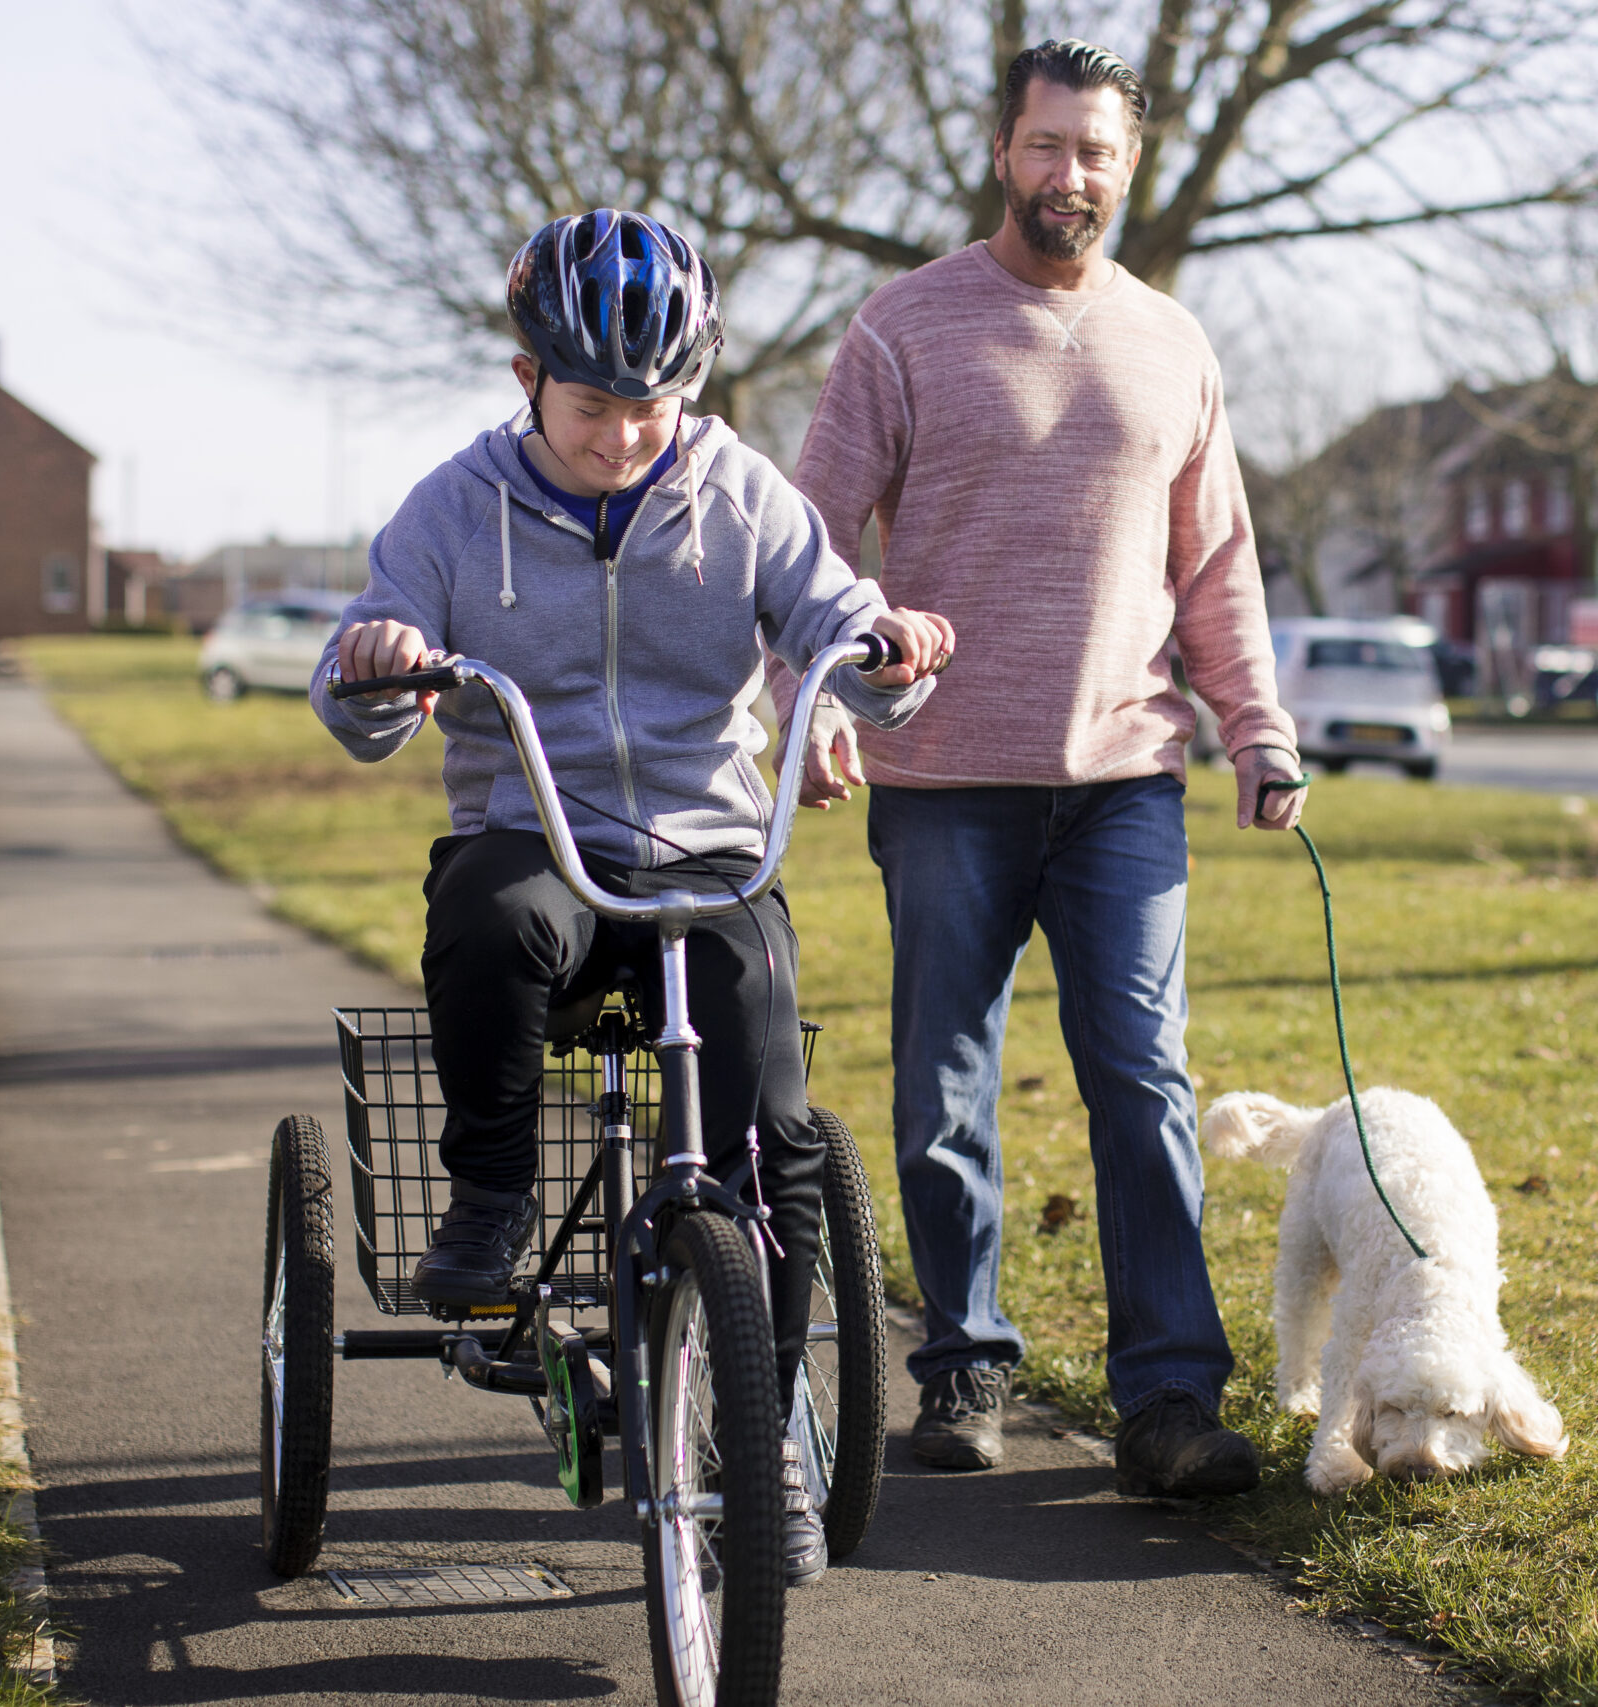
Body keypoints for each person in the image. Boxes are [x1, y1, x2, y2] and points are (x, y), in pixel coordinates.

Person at [312, 210, 953, 1584]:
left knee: (769, 1122)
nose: (620, 437)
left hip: (710, 854)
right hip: (533, 836)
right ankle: (487, 1199)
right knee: (494, 920)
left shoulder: (739, 492)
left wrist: (885, 653)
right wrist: (379, 663)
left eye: (650, 406)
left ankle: (766, 1420)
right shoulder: (452, 507)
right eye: (593, 404)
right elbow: (364, 694)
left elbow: (834, 618)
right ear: (527, 377)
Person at [786, 40, 1303, 1498]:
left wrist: (1256, 729)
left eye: (1095, 152)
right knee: (946, 1081)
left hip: (1127, 780)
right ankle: (963, 1369)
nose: (1068, 175)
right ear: (1002, 151)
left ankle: (1168, 1404)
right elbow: (808, 542)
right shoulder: (903, 329)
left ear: (1125, 165)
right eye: (1045, 146)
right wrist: (812, 693)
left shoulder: (1174, 344)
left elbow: (1217, 570)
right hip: (945, 777)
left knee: (1142, 1077)